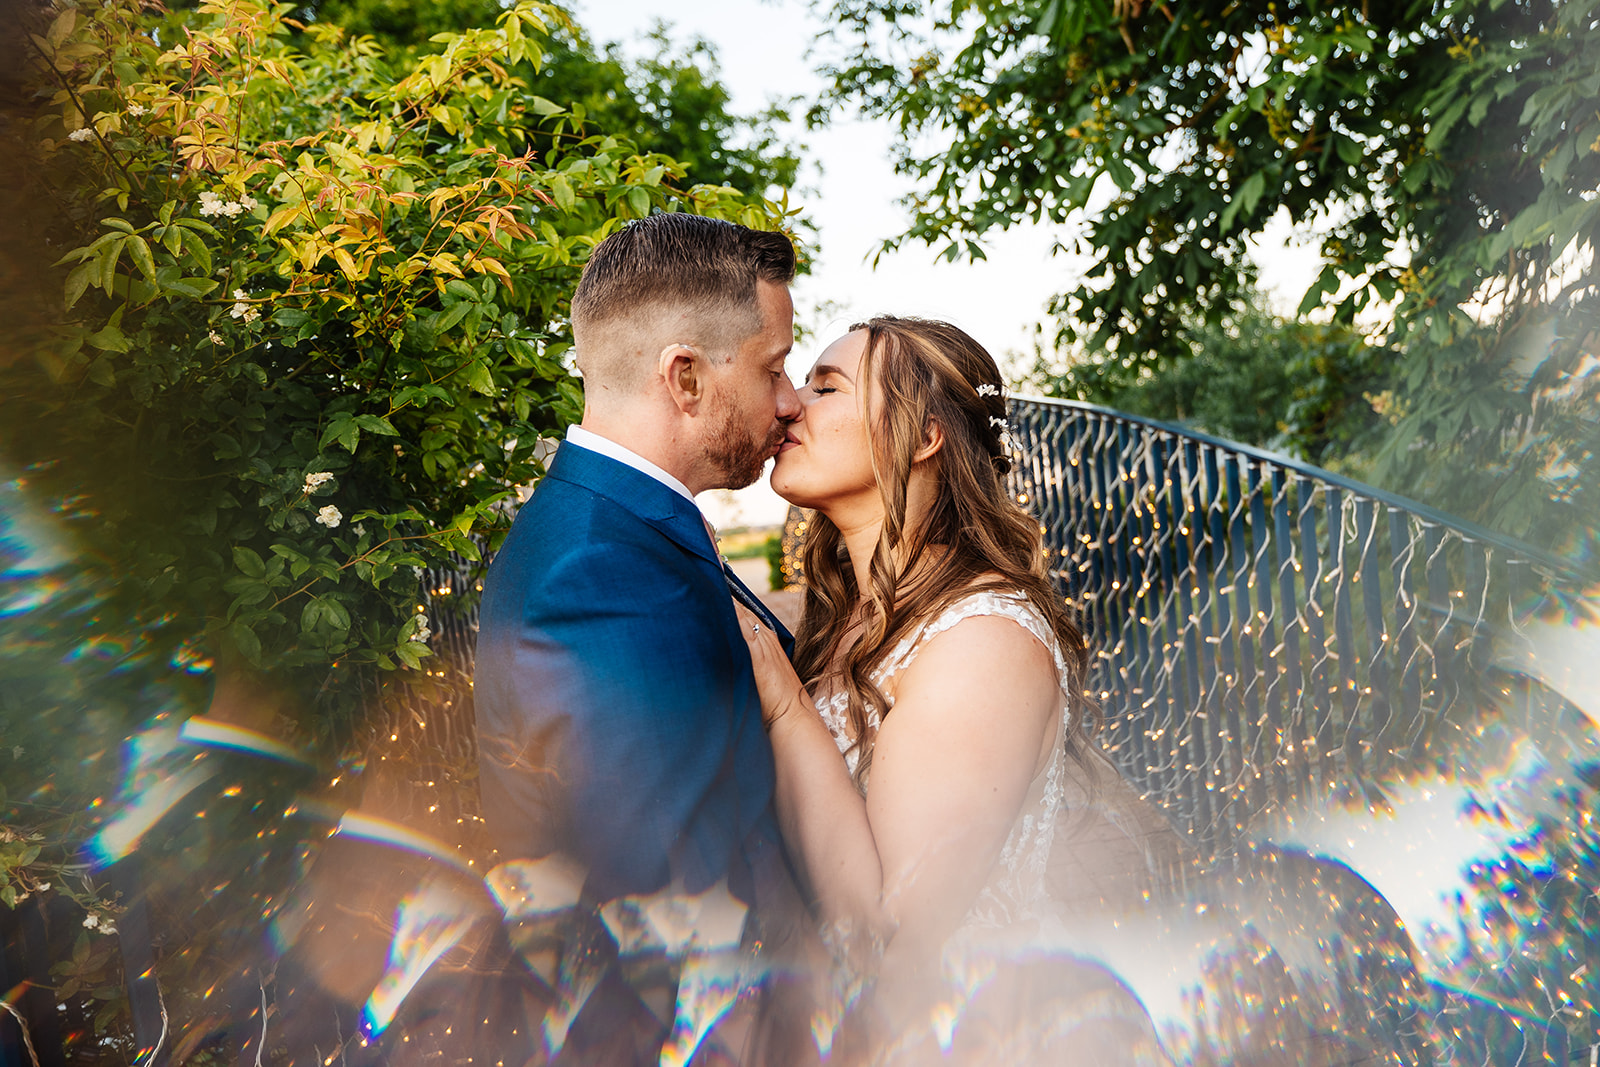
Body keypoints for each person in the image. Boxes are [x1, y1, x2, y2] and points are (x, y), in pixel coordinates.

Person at [733, 316, 1183, 1064]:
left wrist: (784, 709)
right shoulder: (834, 621)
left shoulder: (983, 641)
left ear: (924, 436)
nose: (789, 405)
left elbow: (888, 941)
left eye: (826, 384)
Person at [473, 213, 818, 1066]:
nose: (790, 399)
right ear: (687, 378)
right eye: (773, 367)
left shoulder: (621, 527)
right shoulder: (600, 575)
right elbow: (679, 928)